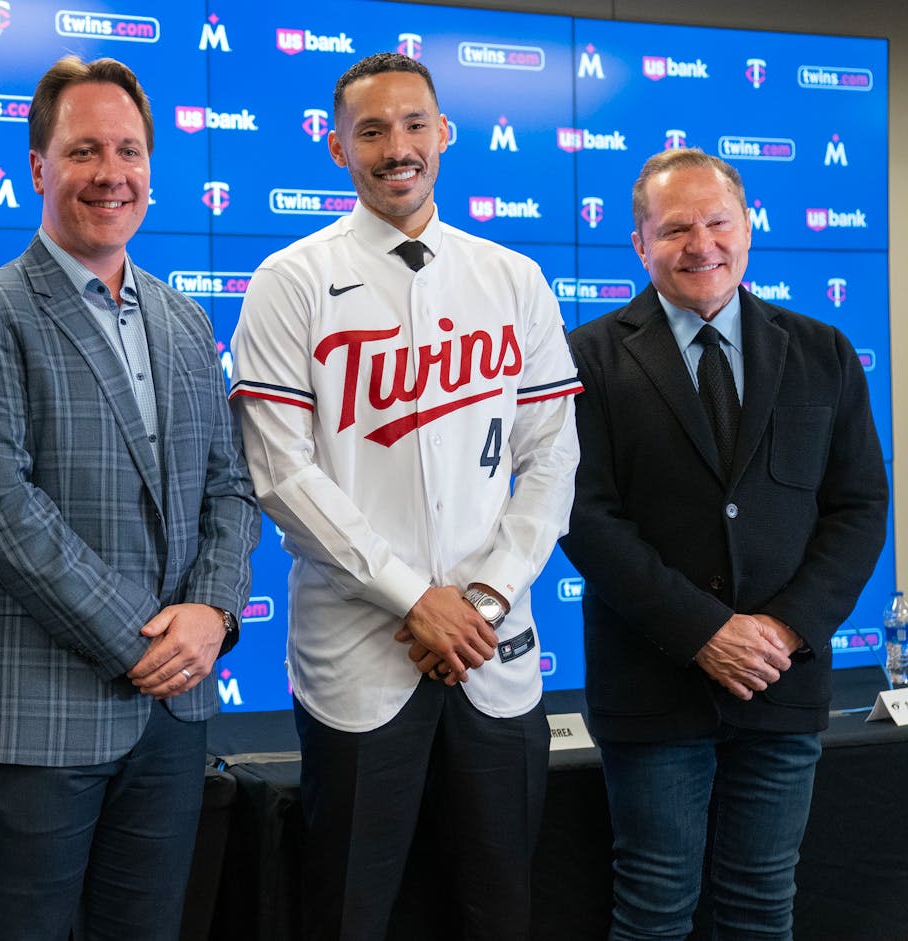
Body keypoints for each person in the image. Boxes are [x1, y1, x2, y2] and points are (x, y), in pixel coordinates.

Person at [229, 52, 582, 939]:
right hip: (359, 655)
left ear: (445, 134)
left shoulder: (513, 278)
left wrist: (485, 598)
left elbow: (550, 463)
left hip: (493, 656)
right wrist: (413, 597)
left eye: (414, 124)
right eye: (372, 130)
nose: (398, 147)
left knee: (498, 911)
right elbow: (280, 473)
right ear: (336, 147)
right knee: (347, 911)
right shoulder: (290, 279)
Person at [0, 55, 260, 941]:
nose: (110, 174)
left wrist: (213, 614)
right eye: (83, 151)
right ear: (38, 168)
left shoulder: (185, 317)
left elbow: (231, 485)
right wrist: (146, 640)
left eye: (129, 151)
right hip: (40, 715)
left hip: (174, 713)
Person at [560, 148, 887, 940]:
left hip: (784, 684)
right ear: (640, 243)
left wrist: (782, 629)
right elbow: (583, 516)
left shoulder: (824, 351)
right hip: (653, 687)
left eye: (718, 222)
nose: (700, 243)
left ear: (748, 229)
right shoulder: (587, 357)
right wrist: (705, 633)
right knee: (654, 908)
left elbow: (860, 506)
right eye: (675, 228)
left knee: (761, 905)